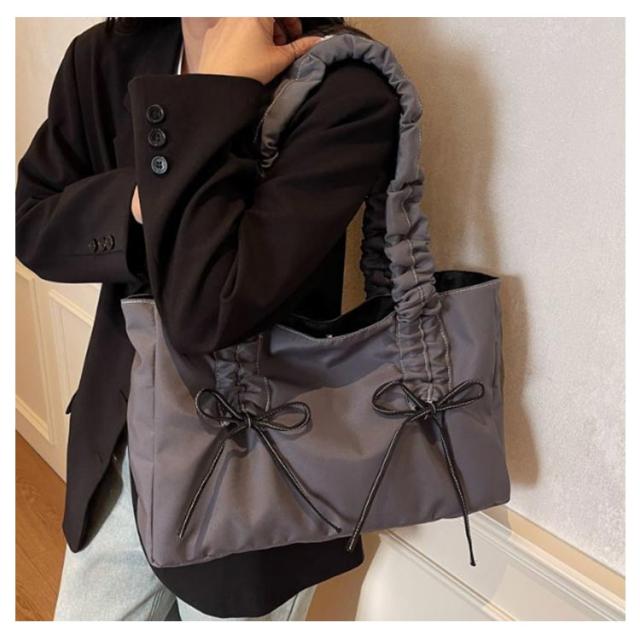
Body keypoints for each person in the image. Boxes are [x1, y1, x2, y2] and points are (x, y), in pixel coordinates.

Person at [15, 17, 400, 620]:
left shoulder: (343, 79)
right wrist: (140, 199)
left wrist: (211, 93)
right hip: (119, 448)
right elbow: (32, 224)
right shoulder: (103, 54)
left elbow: (208, 310)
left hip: (257, 479)